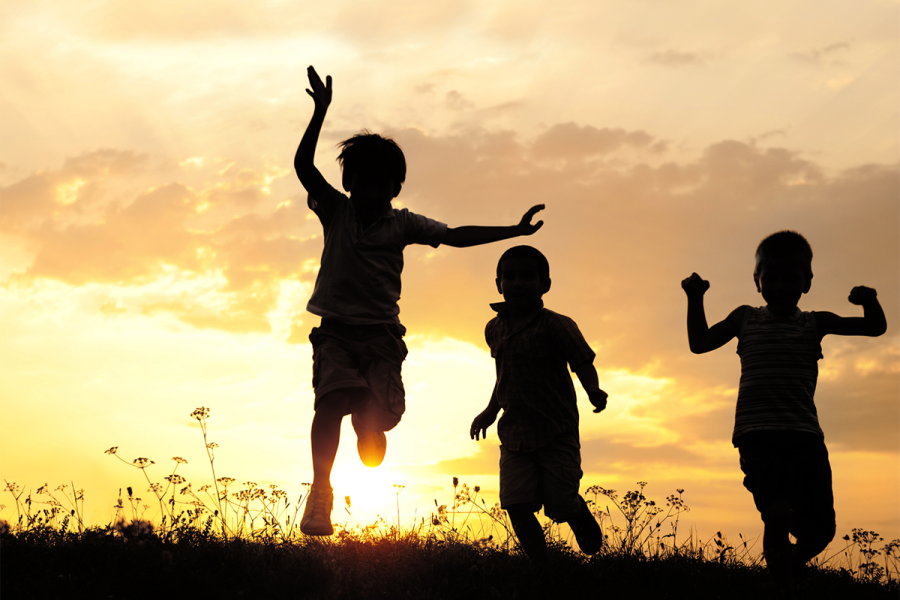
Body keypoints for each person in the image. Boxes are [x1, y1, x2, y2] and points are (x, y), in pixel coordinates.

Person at [294, 66, 546, 536]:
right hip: (335, 332)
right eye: (362, 183)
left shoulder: (403, 224)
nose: (369, 193)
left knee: (383, 417)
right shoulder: (336, 210)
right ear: (349, 184)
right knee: (328, 402)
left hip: (382, 339)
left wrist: (514, 230)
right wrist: (320, 113)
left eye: (380, 185)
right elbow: (305, 169)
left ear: (395, 188)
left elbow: (455, 236)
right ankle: (320, 491)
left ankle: (369, 422)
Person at [681, 230, 887, 592]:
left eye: (791, 278)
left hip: (805, 437)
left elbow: (874, 327)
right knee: (775, 512)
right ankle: (781, 582)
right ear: (756, 281)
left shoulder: (814, 323)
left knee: (821, 531)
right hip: (758, 436)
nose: (780, 286)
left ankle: (787, 569)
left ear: (807, 282)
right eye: (770, 278)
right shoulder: (745, 318)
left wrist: (869, 301)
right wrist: (695, 298)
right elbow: (699, 343)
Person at [470, 245, 608, 566]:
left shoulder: (556, 325)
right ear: (498, 284)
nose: (518, 283)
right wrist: (490, 411)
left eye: (528, 276)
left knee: (559, 503)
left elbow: (582, 361)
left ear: (545, 284)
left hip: (555, 431)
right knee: (516, 504)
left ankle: (575, 509)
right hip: (515, 435)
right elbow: (503, 375)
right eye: (510, 277)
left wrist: (593, 390)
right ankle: (541, 568)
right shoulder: (495, 328)